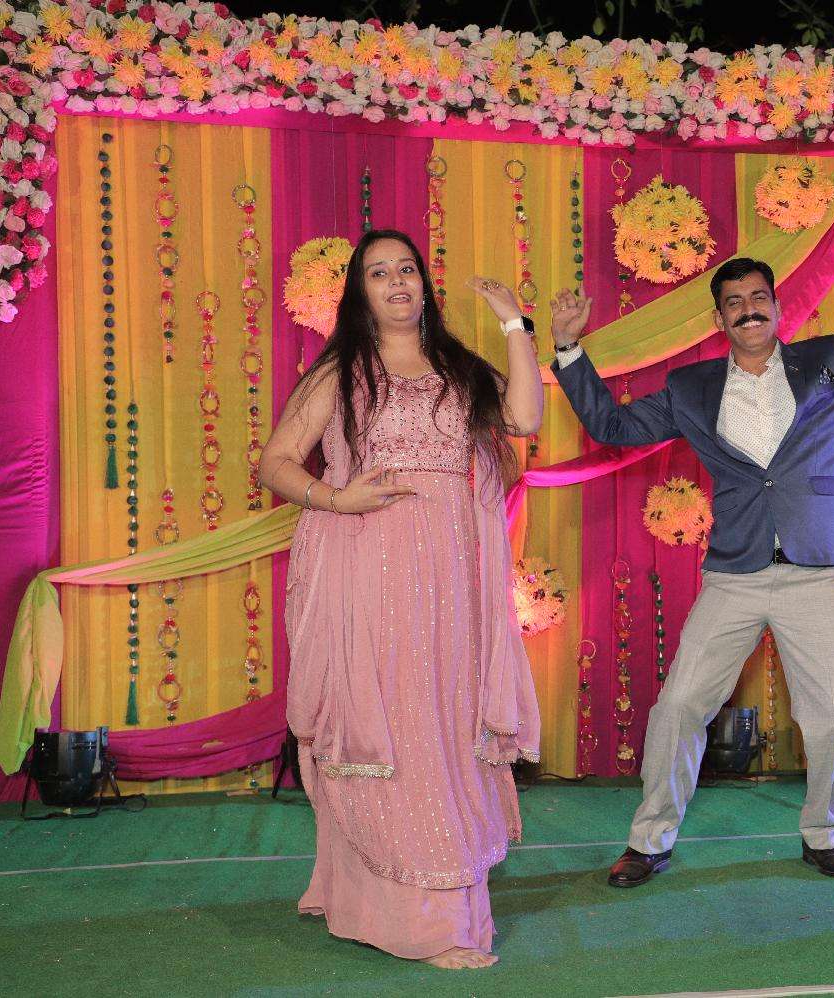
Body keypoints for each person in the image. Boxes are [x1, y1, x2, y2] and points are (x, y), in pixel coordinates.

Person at [547, 204, 834, 886]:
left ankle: (823, 831)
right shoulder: (690, 388)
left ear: (777, 306)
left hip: (818, 567)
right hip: (735, 573)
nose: (749, 309)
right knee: (679, 708)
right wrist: (569, 350)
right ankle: (648, 841)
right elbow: (614, 428)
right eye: (735, 302)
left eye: (758, 297)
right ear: (719, 320)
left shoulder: (827, 362)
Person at [258, 229, 542, 968]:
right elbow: (275, 462)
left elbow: (525, 418)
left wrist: (515, 325)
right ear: (360, 291)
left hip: (452, 581)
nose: (396, 282)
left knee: (445, 729)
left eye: (406, 269)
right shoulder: (342, 372)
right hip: (370, 573)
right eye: (379, 272)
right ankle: (428, 921)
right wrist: (336, 497)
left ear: (423, 283)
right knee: (396, 728)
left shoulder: (458, 369)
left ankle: (405, 899)